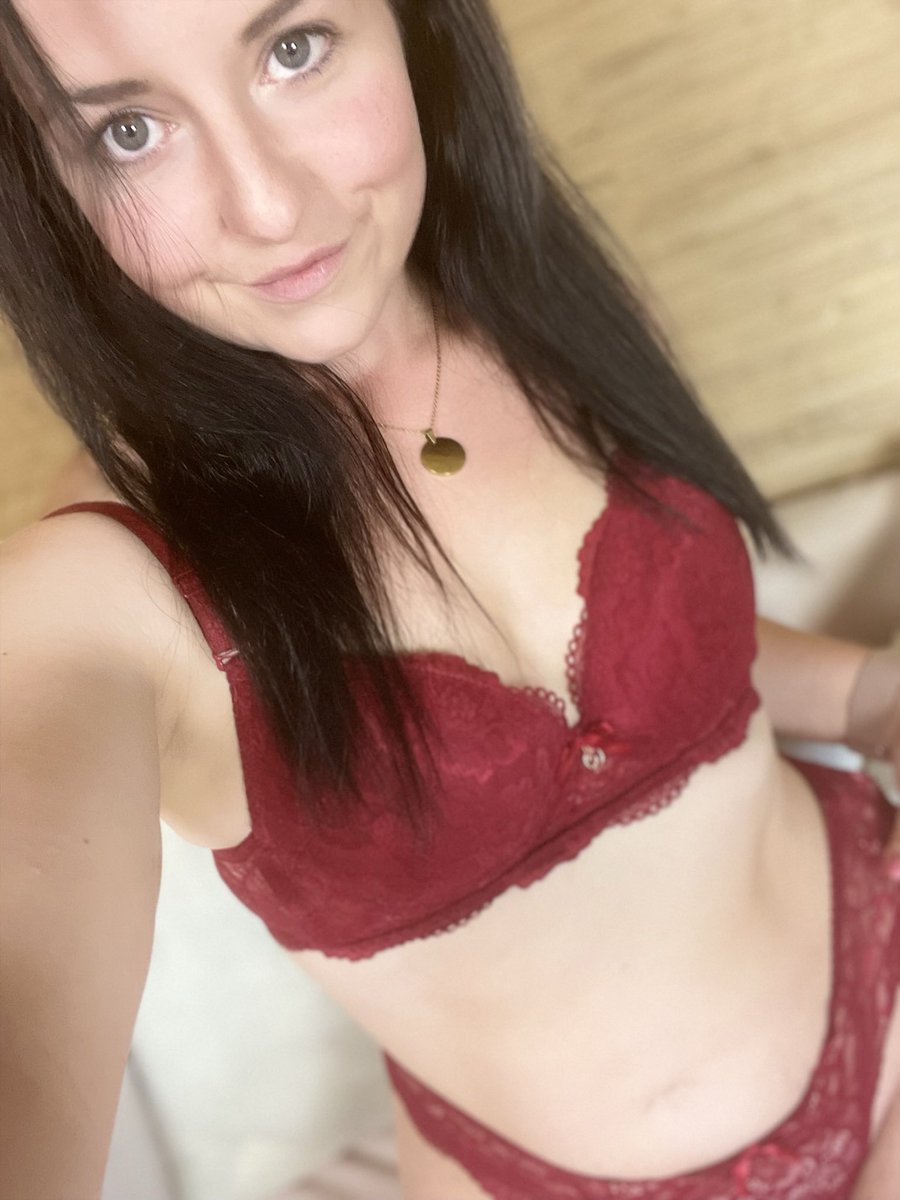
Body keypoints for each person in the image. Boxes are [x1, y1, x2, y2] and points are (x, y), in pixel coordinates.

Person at [1, 1, 898, 1197]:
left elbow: (677, 665)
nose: (267, 207)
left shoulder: (542, 310)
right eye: (127, 133)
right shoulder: (103, 597)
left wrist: (865, 690)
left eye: (293, 50)